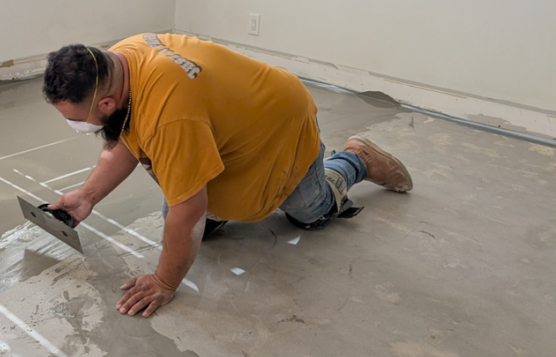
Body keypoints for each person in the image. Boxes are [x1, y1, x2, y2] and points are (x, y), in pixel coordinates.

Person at [43, 33, 412, 318]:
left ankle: (354, 159)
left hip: (279, 128)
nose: (74, 124)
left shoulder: (170, 115)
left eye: (74, 118)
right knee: (190, 228)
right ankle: (233, 201)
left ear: (106, 103)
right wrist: (88, 196)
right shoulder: (118, 61)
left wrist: (164, 281)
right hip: (229, 130)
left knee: (311, 213)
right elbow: (128, 136)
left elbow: (188, 209)